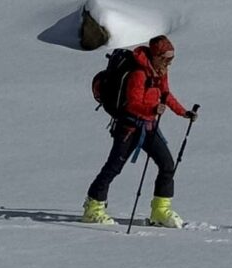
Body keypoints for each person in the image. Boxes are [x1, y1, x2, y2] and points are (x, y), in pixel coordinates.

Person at [82, 33, 197, 227]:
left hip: (150, 127)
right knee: (113, 168)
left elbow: (165, 94)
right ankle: (93, 208)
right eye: (167, 58)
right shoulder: (138, 74)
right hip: (129, 128)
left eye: (172, 58)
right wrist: (152, 109)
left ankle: (160, 211)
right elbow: (131, 104)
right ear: (156, 55)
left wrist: (183, 112)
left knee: (167, 165)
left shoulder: (160, 71)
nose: (170, 63)